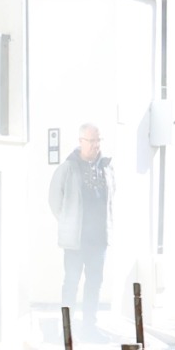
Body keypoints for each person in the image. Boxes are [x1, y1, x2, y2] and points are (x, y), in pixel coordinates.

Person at [49, 125, 114, 329]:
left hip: (99, 239)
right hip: (75, 240)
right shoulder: (68, 168)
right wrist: (68, 221)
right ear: (81, 142)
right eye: (91, 141)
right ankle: (67, 329)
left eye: (98, 140)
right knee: (71, 283)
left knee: (94, 283)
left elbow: (112, 195)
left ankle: (89, 327)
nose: (96, 145)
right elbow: (54, 200)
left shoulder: (106, 167)